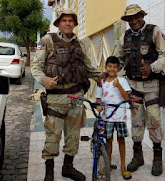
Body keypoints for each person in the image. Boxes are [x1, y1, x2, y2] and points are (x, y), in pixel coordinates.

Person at [99, 4, 165, 176]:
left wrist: (152, 68)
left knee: (154, 121)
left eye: (136, 16)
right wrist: (105, 72)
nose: (134, 20)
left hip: (152, 85)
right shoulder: (125, 36)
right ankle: (138, 157)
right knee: (137, 121)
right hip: (133, 86)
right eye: (130, 18)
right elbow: (117, 59)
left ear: (142, 16)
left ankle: (157, 159)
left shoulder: (154, 31)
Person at [31, 8, 100, 181]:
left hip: (76, 97)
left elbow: (89, 67)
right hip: (56, 98)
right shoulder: (47, 41)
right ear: (58, 24)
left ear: (75, 24)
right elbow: (35, 68)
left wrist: (102, 77)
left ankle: (68, 167)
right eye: (64, 21)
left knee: (73, 136)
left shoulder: (81, 43)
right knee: (52, 137)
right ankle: (49, 173)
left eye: (71, 21)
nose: (68, 23)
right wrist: (46, 81)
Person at [95, 56, 132, 180]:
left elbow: (127, 98)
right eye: (109, 66)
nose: (112, 69)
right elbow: (98, 98)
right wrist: (99, 106)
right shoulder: (102, 81)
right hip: (107, 117)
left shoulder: (122, 80)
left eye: (115, 67)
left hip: (120, 116)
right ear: (105, 67)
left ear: (118, 68)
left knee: (121, 141)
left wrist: (119, 86)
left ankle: (123, 168)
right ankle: (108, 164)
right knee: (108, 141)